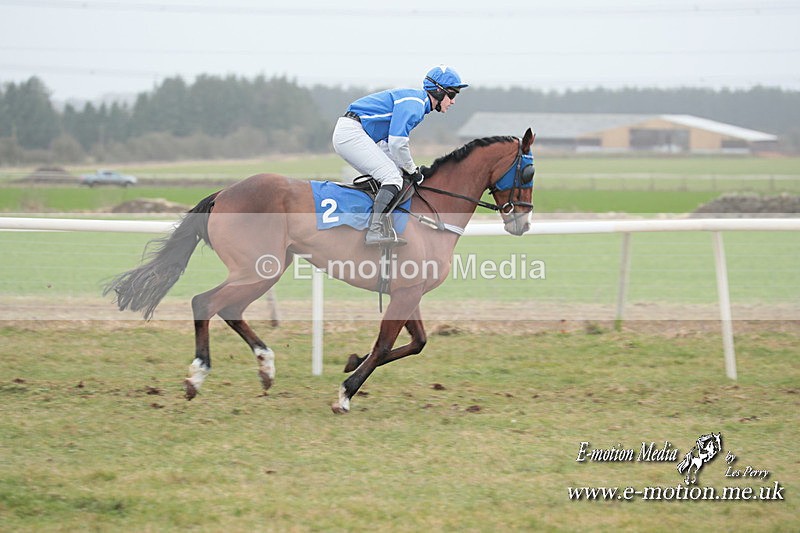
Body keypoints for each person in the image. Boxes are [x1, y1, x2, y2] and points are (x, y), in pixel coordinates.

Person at [332, 65, 468, 246]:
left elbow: (389, 144)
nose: (453, 101)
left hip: (358, 133)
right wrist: (412, 170)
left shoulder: (417, 102)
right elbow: (398, 143)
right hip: (352, 132)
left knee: (395, 175)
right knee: (392, 177)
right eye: (452, 95)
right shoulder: (416, 105)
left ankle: (377, 224)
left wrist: (406, 170)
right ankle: (374, 231)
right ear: (438, 91)